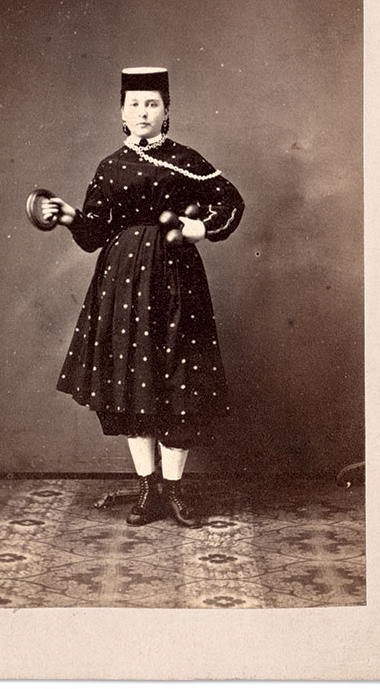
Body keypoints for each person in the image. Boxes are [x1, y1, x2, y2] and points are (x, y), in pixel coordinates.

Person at [43, 67, 244, 528]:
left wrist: (201, 228)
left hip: (176, 282)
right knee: (133, 383)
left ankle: (174, 491)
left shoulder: (188, 160)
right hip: (123, 286)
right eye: (134, 104)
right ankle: (148, 490)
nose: (143, 112)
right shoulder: (109, 166)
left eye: (152, 103)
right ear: (121, 112)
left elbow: (230, 203)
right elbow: (94, 234)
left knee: (179, 379)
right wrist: (70, 216)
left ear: (167, 110)